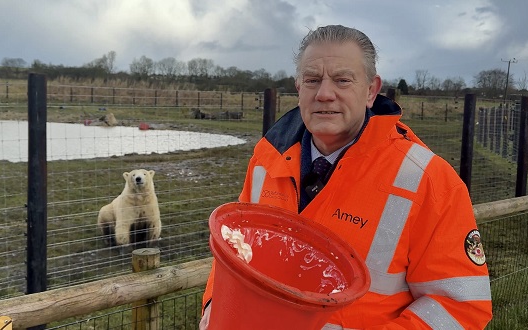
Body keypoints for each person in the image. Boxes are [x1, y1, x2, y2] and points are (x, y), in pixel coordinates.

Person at [200, 25, 492, 329]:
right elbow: (233, 255)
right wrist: (214, 308)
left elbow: (459, 309)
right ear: (299, 88)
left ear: (371, 90)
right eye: (312, 80)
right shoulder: (266, 159)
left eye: (342, 80)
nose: (324, 94)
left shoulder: (427, 180)